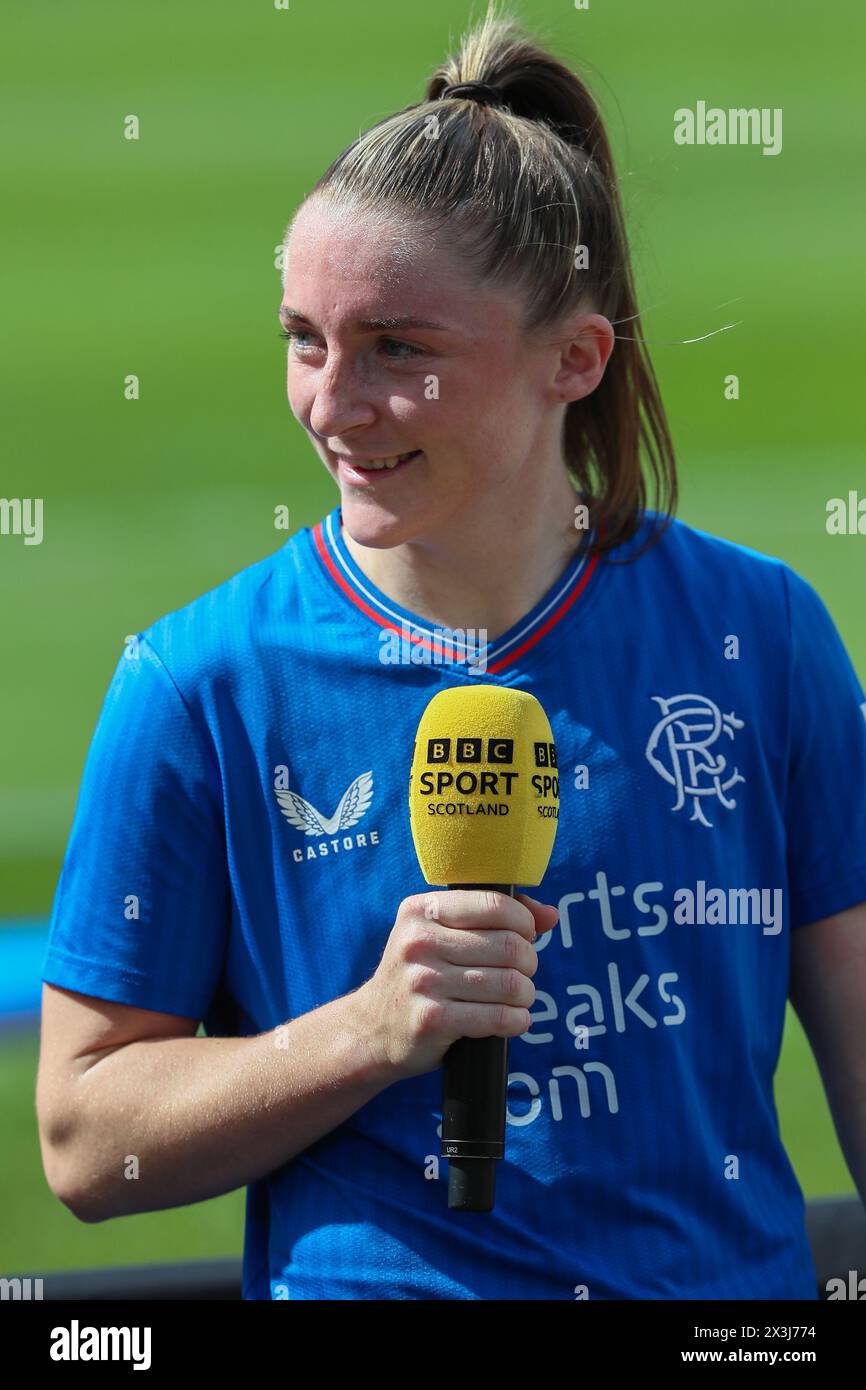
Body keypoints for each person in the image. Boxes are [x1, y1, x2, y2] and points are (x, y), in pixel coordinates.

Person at [36, 3, 866, 1300]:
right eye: (303, 341)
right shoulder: (196, 686)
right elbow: (85, 1137)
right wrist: (367, 1031)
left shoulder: (759, 637)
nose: (331, 403)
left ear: (572, 359)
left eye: (395, 351)